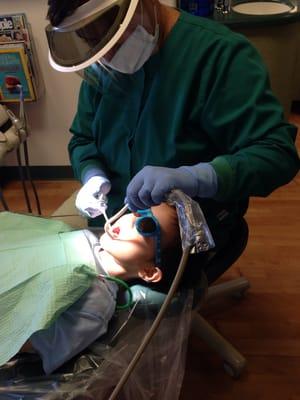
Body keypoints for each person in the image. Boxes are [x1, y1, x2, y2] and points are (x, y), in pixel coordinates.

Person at [45, 1, 299, 256]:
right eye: (94, 43)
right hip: (110, 221)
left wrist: (198, 178)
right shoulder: (103, 64)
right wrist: (92, 174)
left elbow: (276, 155)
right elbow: (83, 138)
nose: (108, 56)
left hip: (182, 235)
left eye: (115, 41)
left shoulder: (219, 55)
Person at [0, 202, 182, 375]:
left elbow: (29, 342)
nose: (129, 219)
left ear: (148, 271)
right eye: (137, 209)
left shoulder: (97, 304)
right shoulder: (84, 237)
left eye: (147, 225)